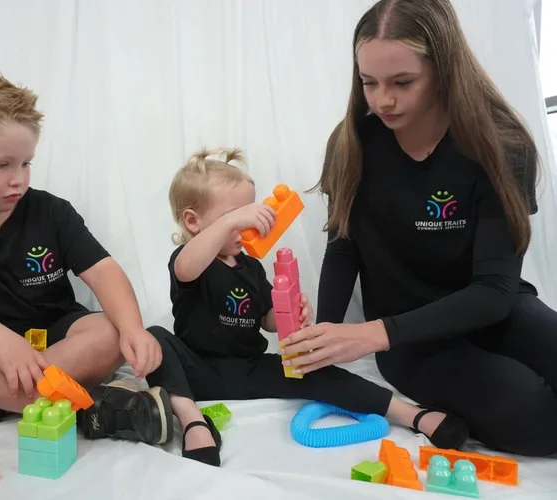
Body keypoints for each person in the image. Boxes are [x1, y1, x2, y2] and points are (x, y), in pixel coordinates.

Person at [281, 0, 557, 457]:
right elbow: (343, 249)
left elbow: (494, 289)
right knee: (539, 420)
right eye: (368, 83)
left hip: (493, 310)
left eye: (402, 83)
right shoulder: (352, 144)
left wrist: (367, 335)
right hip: (410, 342)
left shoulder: (501, 143)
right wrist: (324, 341)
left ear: (444, 69)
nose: (382, 100)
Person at [0, 72, 174, 447]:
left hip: (56, 340)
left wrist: (133, 329)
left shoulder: (51, 212)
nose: (18, 179)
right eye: (2, 165)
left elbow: (103, 271)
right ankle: (90, 408)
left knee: (109, 331)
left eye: (26, 163)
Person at [144, 147, 469, 468]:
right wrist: (228, 223)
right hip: (198, 369)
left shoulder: (251, 268)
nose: (246, 224)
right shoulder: (189, 261)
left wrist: (290, 312)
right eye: (233, 217)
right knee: (155, 337)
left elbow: (266, 320)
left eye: (248, 212)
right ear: (193, 221)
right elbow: (187, 267)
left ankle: (412, 415)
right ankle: (193, 421)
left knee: (313, 369)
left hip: (250, 367)